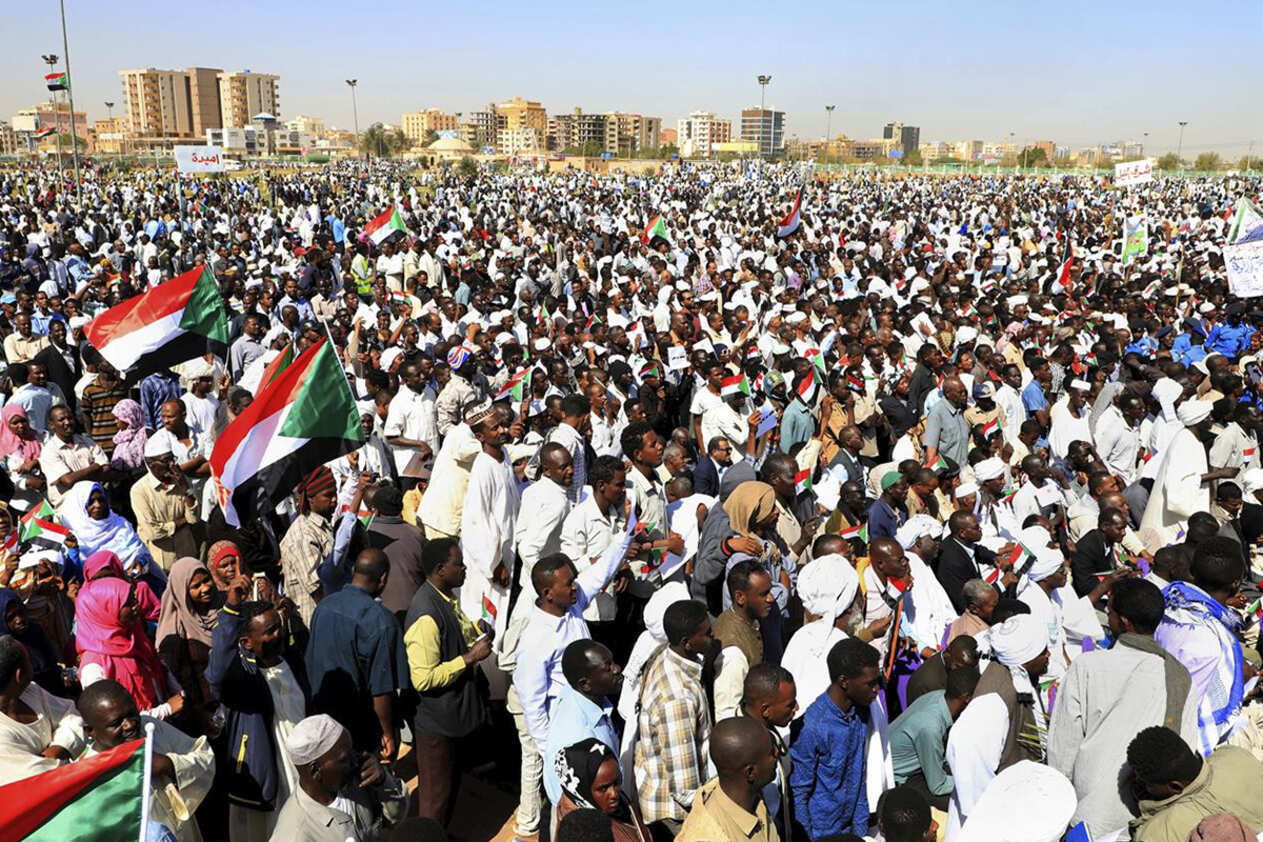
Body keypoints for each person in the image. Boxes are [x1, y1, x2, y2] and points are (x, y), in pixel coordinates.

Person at [1047, 578, 1197, 839]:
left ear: (1124, 621)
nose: (1108, 616)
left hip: (1084, 817)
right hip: (1145, 819)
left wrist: (1058, 810)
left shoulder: (1087, 665)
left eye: (1111, 611)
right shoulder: (1179, 676)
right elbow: (1185, 746)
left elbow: (1063, 748)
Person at [207, 581, 310, 842]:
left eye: (279, 626)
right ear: (247, 643)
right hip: (264, 778)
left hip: (303, 769)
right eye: (270, 631)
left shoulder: (292, 661)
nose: (278, 634)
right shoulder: (243, 678)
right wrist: (230, 610)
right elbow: (217, 673)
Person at [944, 613, 1050, 837]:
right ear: (1026, 658)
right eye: (1043, 652)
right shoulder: (994, 699)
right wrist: (990, 810)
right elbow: (965, 747)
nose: (1048, 655)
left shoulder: (1020, 679)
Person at [77, 679, 215, 842]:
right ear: (90, 730)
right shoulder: (88, 777)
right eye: (116, 723)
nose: (130, 724)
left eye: (132, 713)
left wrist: (170, 764)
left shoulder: (150, 727)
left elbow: (204, 756)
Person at [306, 549, 409, 761]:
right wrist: (387, 733)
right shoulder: (382, 621)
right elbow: (382, 688)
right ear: (383, 578)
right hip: (360, 726)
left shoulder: (324, 606)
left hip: (321, 719)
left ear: (354, 570)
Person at [1154, 536, 1248, 755]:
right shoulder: (1214, 639)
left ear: (1192, 572)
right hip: (1193, 743)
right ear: (1236, 583)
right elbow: (1202, 707)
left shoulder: (1167, 602)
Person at [634, 599, 715, 837]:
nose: (713, 637)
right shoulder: (677, 699)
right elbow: (684, 789)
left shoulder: (667, 653)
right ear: (687, 642)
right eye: (707, 634)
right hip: (676, 813)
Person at [789, 637, 883, 840]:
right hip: (820, 835)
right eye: (870, 684)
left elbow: (859, 778)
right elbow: (799, 793)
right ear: (844, 682)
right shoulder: (812, 726)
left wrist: (859, 835)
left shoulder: (860, 714)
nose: (876, 689)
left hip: (850, 832)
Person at [269, 713, 408, 842]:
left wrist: (383, 782)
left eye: (352, 751)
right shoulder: (294, 835)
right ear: (315, 770)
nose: (355, 761)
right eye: (344, 759)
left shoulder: (355, 777)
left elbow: (396, 818)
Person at [75, 574, 184, 720]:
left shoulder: (133, 639)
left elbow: (158, 671)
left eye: (134, 599)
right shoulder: (94, 666)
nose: (136, 606)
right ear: (105, 610)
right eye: (128, 603)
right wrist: (165, 710)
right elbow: (112, 720)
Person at [1127, 726, 1263, 842]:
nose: (1138, 783)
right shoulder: (1232, 754)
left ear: (1175, 786)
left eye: (1148, 784)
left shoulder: (1157, 833)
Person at [543, 640, 623, 809]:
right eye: (608, 667)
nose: (617, 669)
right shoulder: (577, 735)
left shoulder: (585, 696)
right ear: (585, 684)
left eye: (613, 662)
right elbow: (568, 802)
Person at [889, 664, 978, 811]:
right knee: (965, 801)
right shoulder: (931, 727)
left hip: (914, 765)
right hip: (899, 779)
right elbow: (938, 786)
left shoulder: (938, 696)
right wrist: (975, 780)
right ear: (967, 698)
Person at [678, 716, 780, 842]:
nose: (777, 752)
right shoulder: (709, 837)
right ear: (750, 773)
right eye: (771, 752)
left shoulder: (755, 797)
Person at [0, 635, 83, 785]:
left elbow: (71, 715)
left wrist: (59, 748)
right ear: (19, 675)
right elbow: (36, 777)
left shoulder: (31, 691)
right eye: (29, 660)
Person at [155, 557, 221, 717]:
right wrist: (202, 714)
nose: (205, 588)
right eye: (196, 586)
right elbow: (182, 681)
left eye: (206, 580)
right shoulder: (175, 630)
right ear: (182, 590)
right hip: (208, 708)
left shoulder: (222, 607)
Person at [552, 738, 652, 842]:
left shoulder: (618, 805)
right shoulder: (582, 833)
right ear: (582, 791)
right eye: (603, 788)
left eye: (617, 782)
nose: (614, 794)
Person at [712, 559, 776, 720]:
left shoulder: (748, 618)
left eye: (770, 591)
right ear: (740, 597)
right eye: (763, 594)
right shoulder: (733, 654)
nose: (771, 599)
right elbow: (726, 715)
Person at [739, 663, 797, 838]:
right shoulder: (737, 748)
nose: (796, 708)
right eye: (790, 705)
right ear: (765, 710)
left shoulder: (770, 731)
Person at [279, 465, 339, 625]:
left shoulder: (322, 526)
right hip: (318, 622)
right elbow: (317, 588)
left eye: (335, 493)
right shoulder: (303, 535)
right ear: (311, 499)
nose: (334, 499)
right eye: (328, 495)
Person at [131, 438, 201, 571]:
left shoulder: (181, 481)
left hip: (187, 555)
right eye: (166, 461)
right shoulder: (139, 490)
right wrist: (182, 522)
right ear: (151, 464)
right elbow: (153, 533)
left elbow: (193, 518)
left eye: (172, 459)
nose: (172, 465)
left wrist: (185, 488)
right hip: (161, 564)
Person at [364, 483, 426, 621]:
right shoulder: (417, 534)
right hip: (414, 613)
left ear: (376, 511)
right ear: (401, 509)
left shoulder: (366, 534)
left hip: (376, 615)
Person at [905, 635, 978, 707]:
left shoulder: (951, 662)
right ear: (947, 654)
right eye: (957, 666)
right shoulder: (929, 683)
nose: (963, 672)